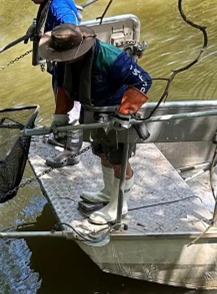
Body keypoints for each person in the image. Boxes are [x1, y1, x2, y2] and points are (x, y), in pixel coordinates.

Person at [37, 24, 152, 229]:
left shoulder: (111, 57)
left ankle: (120, 205)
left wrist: (125, 111)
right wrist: (60, 116)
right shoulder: (64, 61)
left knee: (119, 161)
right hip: (92, 110)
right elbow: (63, 86)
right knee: (101, 153)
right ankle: (108, 191)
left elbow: (143, 80)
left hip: (115, 113)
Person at [16, 0, 83, 167]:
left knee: (70, 105)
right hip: (60, 61)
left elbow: (71, 26)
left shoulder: (58, 4)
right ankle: (62, 137)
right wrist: (37, 26)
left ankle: (72, 153)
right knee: (60, 100)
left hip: (70, 60)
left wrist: (47, 37)